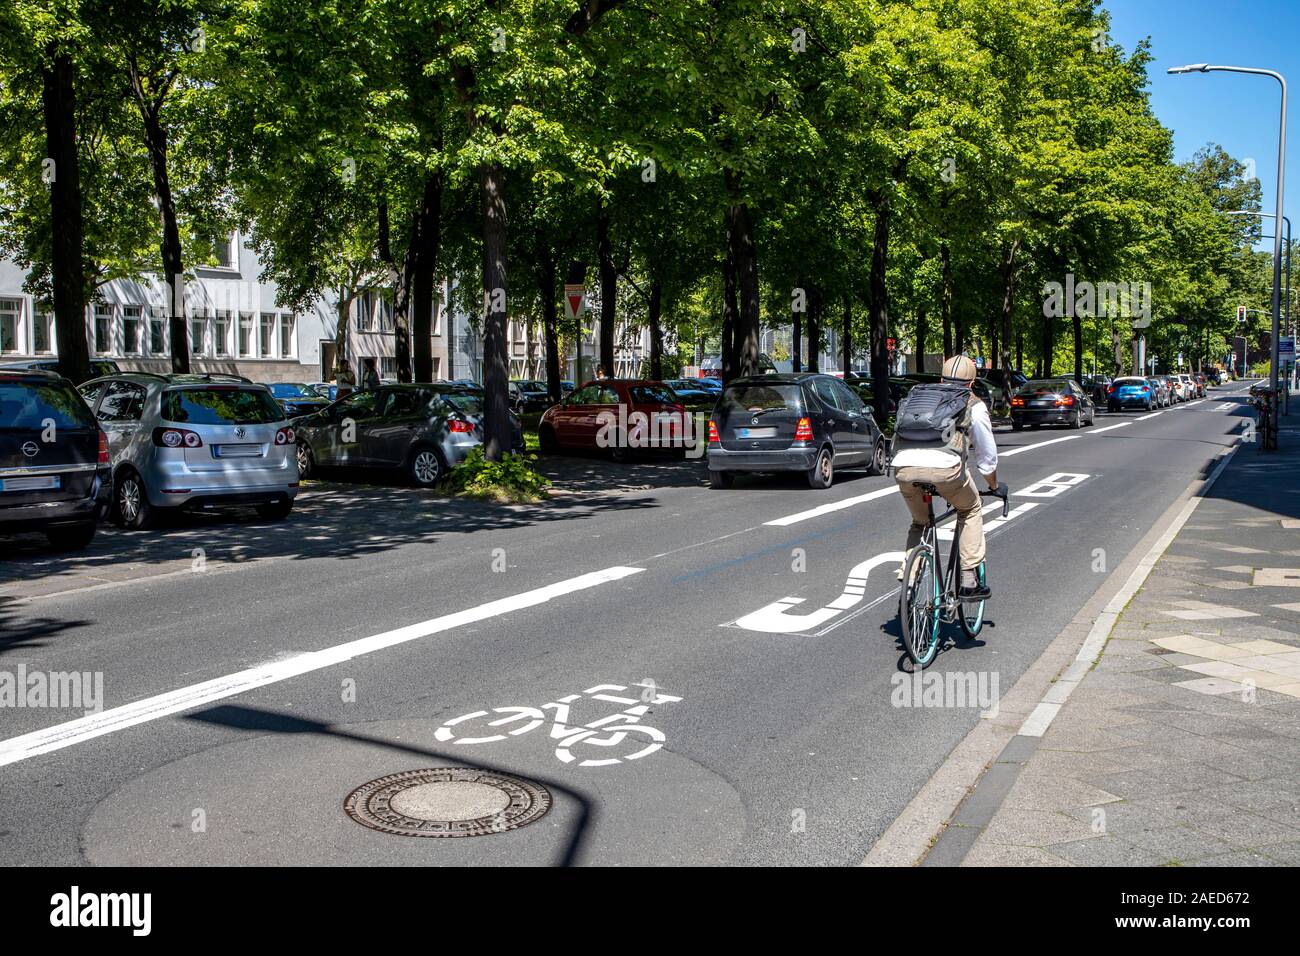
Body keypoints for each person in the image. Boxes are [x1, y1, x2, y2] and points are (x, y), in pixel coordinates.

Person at [892, 354, 1000, 599]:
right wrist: (993, 485)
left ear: (941, 378)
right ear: (972, 383)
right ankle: (969, 579)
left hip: (903, 466)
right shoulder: (975, 404)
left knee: (920, 522)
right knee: (971, 508)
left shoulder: (920, 397)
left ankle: (909, 578)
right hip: (946, 470)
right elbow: (986, 456)